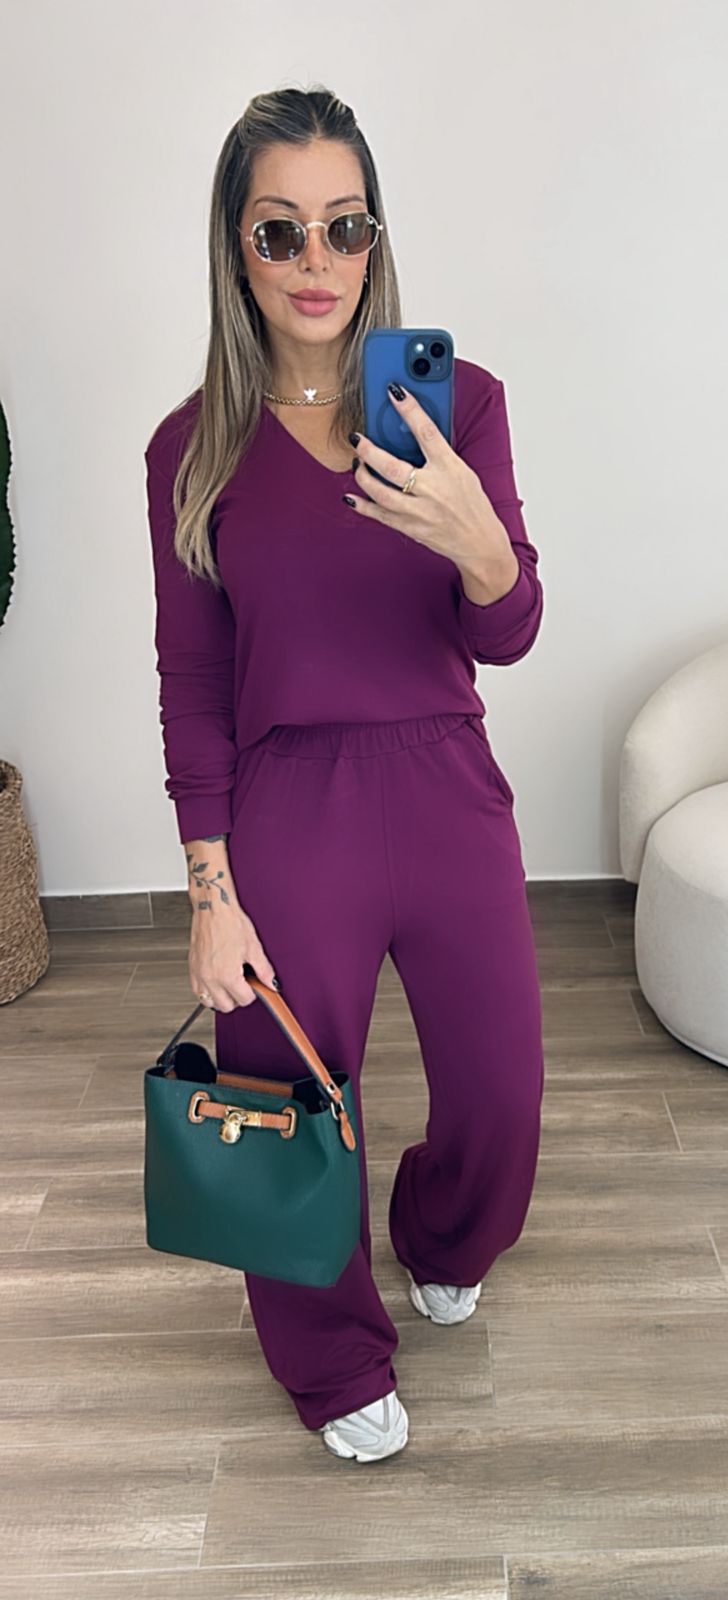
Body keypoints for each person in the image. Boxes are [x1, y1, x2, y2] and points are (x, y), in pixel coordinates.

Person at [144, 85, 545, 1465]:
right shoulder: (192, 450)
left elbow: (509, 630)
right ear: (236, 246)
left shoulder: (461, 407)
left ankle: (445, 1228)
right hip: (288, 805)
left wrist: (476, 538)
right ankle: (325, 1353)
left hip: (443, 778)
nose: (317, 261)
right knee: (285, 1100)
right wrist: (210, 895)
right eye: (280, 231)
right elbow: (193, 682)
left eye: (345, 225)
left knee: (500, 1091)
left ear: (377, 236)